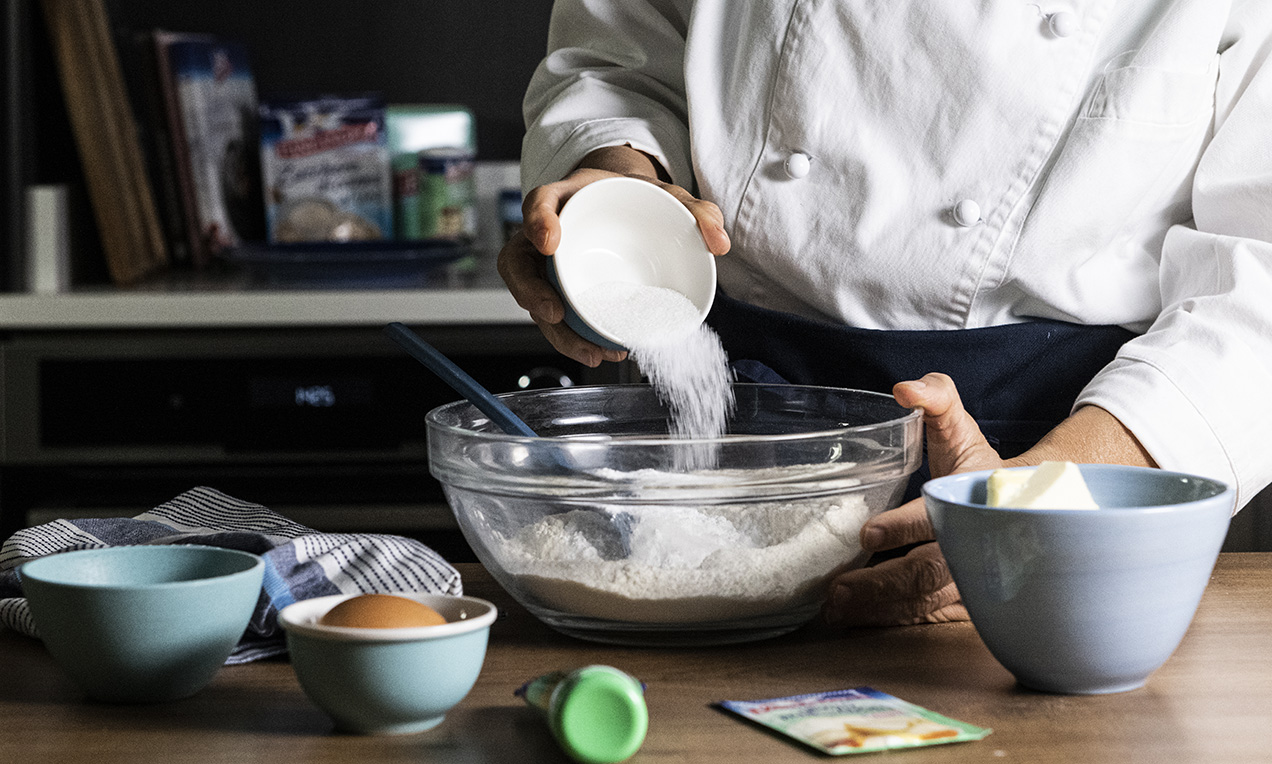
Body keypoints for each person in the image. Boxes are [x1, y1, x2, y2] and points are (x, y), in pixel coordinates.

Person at [497, 1, 1272, 626]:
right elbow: (621, 59)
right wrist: (614, 187)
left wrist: (1044, 494)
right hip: (730, 449)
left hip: (1077, 467)